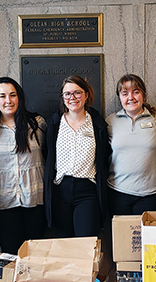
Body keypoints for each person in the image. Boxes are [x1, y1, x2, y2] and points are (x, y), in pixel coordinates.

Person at [0, 77, 47, 254]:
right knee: (10, 254)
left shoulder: (36, 123)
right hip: (3, 201)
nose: (8, 100)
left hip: (35, 199)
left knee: (35, 257)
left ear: (19, 97)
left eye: (12, 95)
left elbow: (50, 155)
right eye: (2, 96)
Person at [43, 75, 109, 238]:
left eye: (77, 93)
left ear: (86, 95)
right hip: (60, 191)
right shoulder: (54, 123)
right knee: (64, 244)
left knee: (86, 243)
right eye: (67, 94)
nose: (72, 98)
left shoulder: (97, 124)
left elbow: (104, 156)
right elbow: (47, 153)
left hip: (87, 192)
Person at [106, 74, 156, 216]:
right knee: (121, 238)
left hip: (152, 194)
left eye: (136, 92)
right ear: (119, 97)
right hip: (118, 193)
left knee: (148, 238)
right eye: (125, 93)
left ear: (143, 95)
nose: (130, 97)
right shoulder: (110, 121)